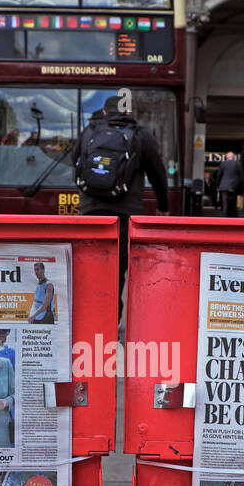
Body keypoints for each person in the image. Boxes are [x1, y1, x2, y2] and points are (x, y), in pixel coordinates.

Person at [72, 98, 170, 322]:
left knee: (89, 269)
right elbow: (157, 173)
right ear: (128, 111)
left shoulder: (89, 131)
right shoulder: (140, 134)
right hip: (125, 214)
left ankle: (87, 321)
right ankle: (109, 326)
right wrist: (163, 206)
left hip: (90, 212)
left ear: (105, 111)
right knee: (116, 272)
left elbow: (75, 162)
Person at [216, 151, 243, 218]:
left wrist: (218, 185)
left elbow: (219, 175)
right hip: (234, 186)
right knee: (234, 203)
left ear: (227, 157)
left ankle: (224, 217)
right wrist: (242, 187)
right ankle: (234, 217)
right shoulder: (238, 164)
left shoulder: (223, 163)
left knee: (225, 203)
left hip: (224, 186)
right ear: (234, 157)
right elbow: (241, 177)